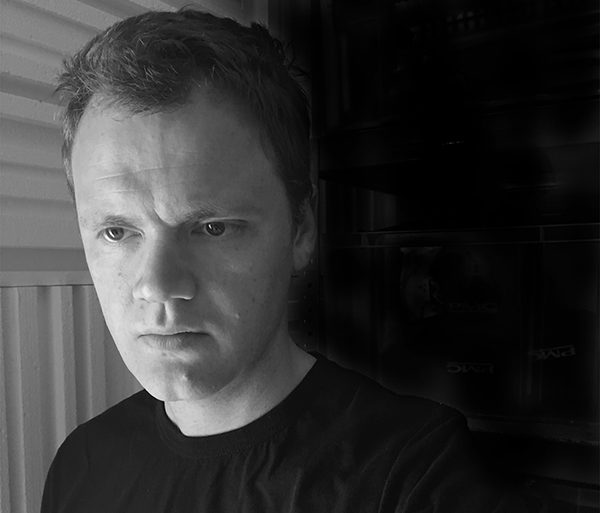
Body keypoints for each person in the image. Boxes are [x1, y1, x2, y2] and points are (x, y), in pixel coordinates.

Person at [41, 9, 534, 512]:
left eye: (213, 228)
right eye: (117, 232)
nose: (158, 285)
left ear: (301, 229)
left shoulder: (415, 478)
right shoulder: (81, 465)